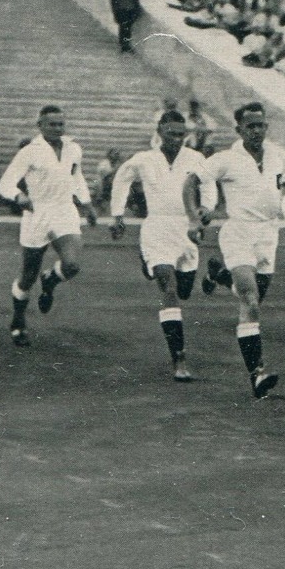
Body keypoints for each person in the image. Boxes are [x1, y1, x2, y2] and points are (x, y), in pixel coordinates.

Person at [197, 103, 285, 398]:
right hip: (238, 230)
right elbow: (195, 179)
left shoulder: (279, 156)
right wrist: (200, 210)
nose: (257, 131)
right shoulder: (226, 158)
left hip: (269, 234)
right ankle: (257, 373)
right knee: (250, 301)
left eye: (261, 125)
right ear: (239, 130)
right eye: (250, 126)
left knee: (254, 297)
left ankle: (220, 275)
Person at [110, 110, 212, 381]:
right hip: (156, 228)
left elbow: (210, 183)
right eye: (171, 133)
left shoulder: (196, 159)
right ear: (159, 131)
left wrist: (206, 208)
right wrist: (117, 214)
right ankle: (179, 358)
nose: (177, 139)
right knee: (169, 288)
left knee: (186, 289)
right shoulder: (145, 159)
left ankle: (153, 266)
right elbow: (122, 178)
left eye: (181, 134)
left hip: (186, 229)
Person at [0, 105, 98, 346]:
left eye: (61, 124)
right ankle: (18, 321)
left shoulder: (73, 148)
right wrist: (19, 197)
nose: (57, 129)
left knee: (72, 265)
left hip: (64, 210)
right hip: (38, 213)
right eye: (52, 124)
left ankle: (51, 279)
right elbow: (5, 184)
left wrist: (87, 204)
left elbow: (77, 177)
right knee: (28, 276)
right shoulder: (30, 152)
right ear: (39, 125)